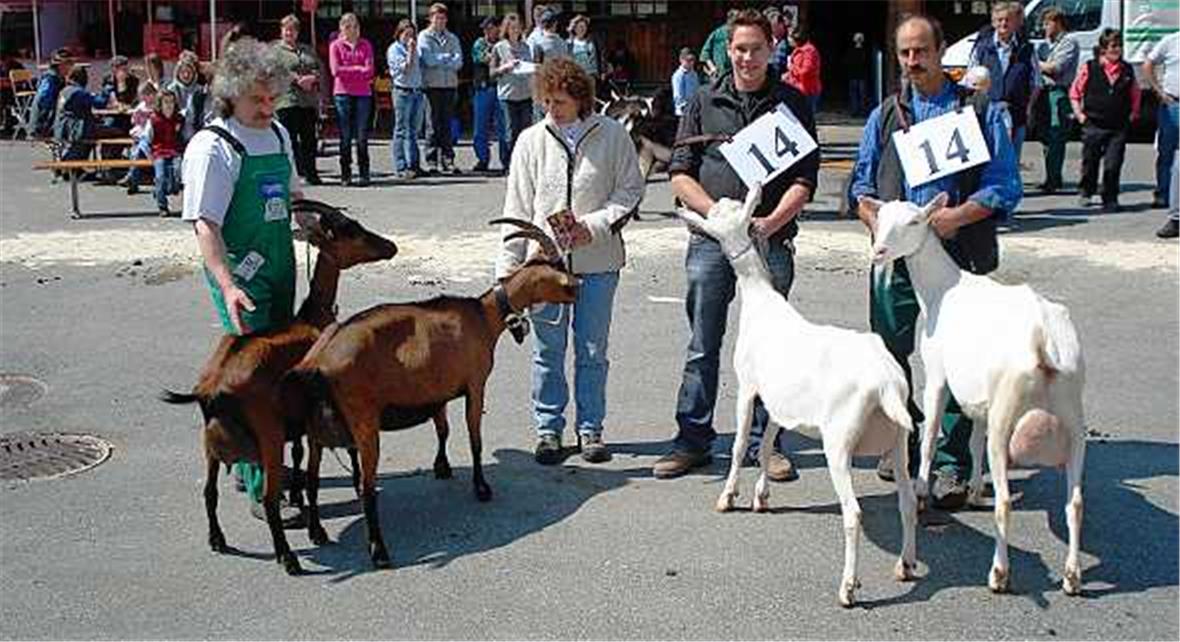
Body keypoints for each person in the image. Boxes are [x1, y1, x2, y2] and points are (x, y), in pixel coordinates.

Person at [849, 15, 1021, 510]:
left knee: (961, 359)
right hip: (897, 258)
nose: (912, 61)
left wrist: (960, 216)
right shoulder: (886, 114)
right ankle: (902, 441)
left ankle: (951, 463)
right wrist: (875, 221)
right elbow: (861, 187)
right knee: (890, 349)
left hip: (961, 253)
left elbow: (1006, 184)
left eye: (921, 51)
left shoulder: (980, 109)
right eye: (904, 52)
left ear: (941, 51)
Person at [654, 9, 819, 481]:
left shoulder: (792, 103)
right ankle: (692, 440)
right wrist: (719, 217)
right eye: (739, 49)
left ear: (772, 50)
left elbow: (805, 179)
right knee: (704, 343)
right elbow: (680, 171)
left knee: (773, 346)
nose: (747, 57)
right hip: (711, 241)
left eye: (756, 49)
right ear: (728, 50)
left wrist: (769, 222)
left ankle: (767, 444)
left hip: (770, 241)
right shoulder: (703, 101)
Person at [495, 57, 644, 465]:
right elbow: (517, 207)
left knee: (593, 351)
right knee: (547, 351)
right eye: (546, 101)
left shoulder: (614, 135)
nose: (551, 110)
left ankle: (590, 429)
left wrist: (592, 226)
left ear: (581, 98)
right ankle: (548, 429)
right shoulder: (530, 140)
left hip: (598, 264)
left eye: (559, 102)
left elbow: (630, 191)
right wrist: (507, 272)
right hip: (543, 269)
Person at [181, 37, 305, 527]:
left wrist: (322, 225)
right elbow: (206, 225)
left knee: (285, 369)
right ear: (231, 94)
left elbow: (294, 197)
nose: (267, 105)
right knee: (256, 382)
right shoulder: (213, 147)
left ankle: (253, 461)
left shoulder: (276, 135)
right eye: (258, 98)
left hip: (281, 266)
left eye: (273, 96)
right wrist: (227, 285)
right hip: (243, 278)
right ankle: (264, 488)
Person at [1069, 28, 1140, 212]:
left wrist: (1133, 112)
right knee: (1090, 161)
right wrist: (1079, 115)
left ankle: (1110, 197)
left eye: (1119, 46)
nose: (1117, 50)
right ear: (1103, 49)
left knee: (1113, 163)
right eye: (1113, 46)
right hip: (1093, 123)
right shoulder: (1090, 67)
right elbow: (1075, 92)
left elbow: (1135, 93)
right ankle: (1086, 191)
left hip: (1117, 126)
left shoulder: (1127, 69)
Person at [968, 2, 1038, 163]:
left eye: (1007, 20)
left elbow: (1036, 83)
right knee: (987, 160)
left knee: (1012, 161)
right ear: (993, 23)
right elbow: (969, 80)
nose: (1003, 24)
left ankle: (1012, 188)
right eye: (999, 20)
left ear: (1015, 22)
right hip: (986, 112)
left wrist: (1028, 108)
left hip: (1016, 113)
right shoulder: (982, 48)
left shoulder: (1026, 49)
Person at [274, 13, 323, 185]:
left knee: (310, 139)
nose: (289, 33)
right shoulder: (275, 51)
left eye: (293, 30)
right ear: (281, 31)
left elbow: (318, 67)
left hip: (307, 101)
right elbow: (275, 71)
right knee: (290, 140)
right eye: (286, 30)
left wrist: (313, 78)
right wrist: (297, 79)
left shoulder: (307, 49)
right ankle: (292, 175)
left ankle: (311, 173)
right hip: (287, 101)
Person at [1035, 7, 1079, 194]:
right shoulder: (1044, 45)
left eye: (1047, 23)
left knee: (1056, 135)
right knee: (1044, 135)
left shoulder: (1069, 42)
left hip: (1058, 91)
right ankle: (1051, 177)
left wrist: (1034, 63)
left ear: (1058, 23)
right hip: (1042, 92)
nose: (1044, 27)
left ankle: (1054, 179)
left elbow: (1056, 68)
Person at [329, 12, 375, 186]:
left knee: (362, 136)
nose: (351, 30)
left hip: (363, 94)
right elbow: (335, 71)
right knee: (345, 136)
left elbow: (370, 70)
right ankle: (346, 174)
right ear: (341, 28)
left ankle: (364, 173)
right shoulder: (335, 46)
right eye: (347, 26)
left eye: (355, 26)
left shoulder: (366, 45)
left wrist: (349, 69)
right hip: (342, 93)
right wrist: (359, 69)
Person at [418, 2, 463, 175]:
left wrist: (440, 60)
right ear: (430, 18)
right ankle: (431, 161)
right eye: (437, 18)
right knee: (432, 124)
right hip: (432, 86)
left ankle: (448, 159)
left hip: (449, 85)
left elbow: (458, 62)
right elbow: (428, 60)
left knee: (447, 124)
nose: (440, 21)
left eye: (443, 18)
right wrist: (447, 58)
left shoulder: (453, 38)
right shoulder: (424, 36)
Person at [1143, 31, 1179, 212]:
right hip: (1172, 104)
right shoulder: (1170, 40)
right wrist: (1159, 92)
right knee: (1167, 152)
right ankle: (1163, 194)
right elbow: (1148, 64)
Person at [490, 12, 534, 156]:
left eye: (518, 27)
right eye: (512, 27)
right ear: (506, 29)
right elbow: (492, 73)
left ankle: (525, 164)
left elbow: (530, 67)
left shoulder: (526, 47)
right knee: (511, 132)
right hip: (508, 96)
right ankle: (509, 164)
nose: (515, 30)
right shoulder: (499, 47)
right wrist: (505, 67)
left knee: (526, 132)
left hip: (525, 94)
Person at [471, 15, 509, 174]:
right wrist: (497, 59)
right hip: (483, 88)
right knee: (481, 127)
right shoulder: (479, 43)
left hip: (501, 88)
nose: (487, 31)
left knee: (503, 127)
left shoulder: (504, 44)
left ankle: (506, 160)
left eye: (490, 28)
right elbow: (482, 58)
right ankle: (482, 159)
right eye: (485, 29)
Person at [388, 18, 425, 180]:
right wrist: (410, 51)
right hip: (402, 92)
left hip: (417, 92)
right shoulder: (394, 50)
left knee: (414, 131)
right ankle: (401, 166)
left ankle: (414, 164)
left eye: (412, 35)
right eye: (406, 34)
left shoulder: (416, 49)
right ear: (399, 33)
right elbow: (407, 67)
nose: (410, 38)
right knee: (401, 129)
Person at [53, 66, 105, 163]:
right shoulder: (78, 92)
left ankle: (77, 167)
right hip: (77, 129)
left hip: (63, 127)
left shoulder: (65, 91)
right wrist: (106, 90)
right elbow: (100, 103)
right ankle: (110, 163)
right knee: (116, 131)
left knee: (94, 135)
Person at [147, 88, 184, 216]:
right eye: (166, 102)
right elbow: (147, 138)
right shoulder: (154, 119)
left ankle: (162, 191)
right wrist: (150, 155)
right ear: (160, 104)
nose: (169, 105)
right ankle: (162, 206)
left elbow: (182, 135)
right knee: (160, 176)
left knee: (178, 171)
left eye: (171, 102)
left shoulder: (178, 118)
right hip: (159, 151)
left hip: (174, 151)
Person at [119, 82, 158, 194]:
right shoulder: (141, 106)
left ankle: (132, 179)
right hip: (142, 135)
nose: (145, 98)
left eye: (148, 95)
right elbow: (134, 122)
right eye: (143, 96)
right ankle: (133, 180)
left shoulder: (157, 106)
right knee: (137, 152)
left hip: (154, 137)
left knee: (139, 151)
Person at [30, 48, 72, 138]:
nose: (71, 68)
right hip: (44, 123)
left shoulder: (60, 78)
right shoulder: (50, 79)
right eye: (69, 64)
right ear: (61, 65)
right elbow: (43, 99)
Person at [785, 26, 821, 115]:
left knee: (805, 119)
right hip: (797, 90)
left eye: (789, 37)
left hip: (807, 90)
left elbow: (806, 71)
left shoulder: (809, 51)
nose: (788, 39)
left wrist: (791, 68)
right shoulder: (798, 50)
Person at [100, 55, 140, 131]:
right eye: (122, 69)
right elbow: (106, 96)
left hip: (128, 114)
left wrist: (122, 83)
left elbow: (130, 99)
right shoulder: (108, 79)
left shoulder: (134, 80)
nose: (125, 72)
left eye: (125, 69)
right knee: (108, 126)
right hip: (112, 114)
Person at [699, 9, 738, 81]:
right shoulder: (718, 33)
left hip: (735, 74)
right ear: (729, 20)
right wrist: (712, 67)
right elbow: (705, 52)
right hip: (719, 73)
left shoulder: (740, 34)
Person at [567, 15, 600, 87]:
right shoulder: (569, 43)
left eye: (584, 27)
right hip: (576, 76)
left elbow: (599, 56)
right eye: (580, 27)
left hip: (590, 76)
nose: (582, 29)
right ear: (575, 28)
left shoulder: (592, 41)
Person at [844, 32, 871, 117]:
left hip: (860, 76)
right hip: (855, 75)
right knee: (856, 95)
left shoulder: (865, 51)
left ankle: (860, 111)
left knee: (860, 95)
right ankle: (856, 111)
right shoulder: (853, 50)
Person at [671, 47, 700, 117]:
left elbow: (697, 90)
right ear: (681, 60)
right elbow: (678, 96)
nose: (691, 63)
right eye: (688, 60)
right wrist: (685, 107)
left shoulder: (694, 74)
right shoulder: (678, 75)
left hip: (694, 109)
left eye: (692, 60)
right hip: (683, 112)